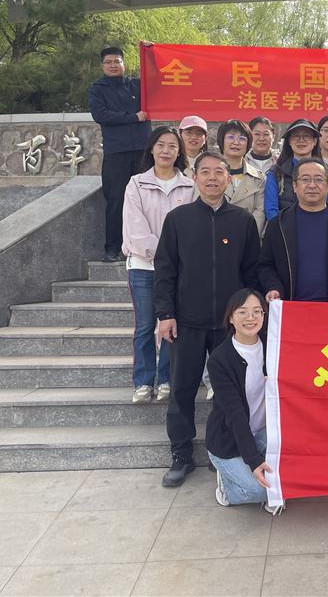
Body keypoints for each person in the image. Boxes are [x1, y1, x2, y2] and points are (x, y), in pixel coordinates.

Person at [154, 151, 262, 487]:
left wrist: (248, 317)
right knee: (182, 388)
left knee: (231, 392)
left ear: (229, 178)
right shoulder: (179, 219)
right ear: (195, 178)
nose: (212, 178)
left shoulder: (242, 221)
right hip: (187, 321)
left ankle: (224, 449)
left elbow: (252, 273)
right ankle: (181, 454)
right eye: (205, 172)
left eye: (219, 172)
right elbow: (165, 270)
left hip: (230, 327)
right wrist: (166, 314)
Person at [122, 127, 193, 405]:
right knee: (144, 326)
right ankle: (143, 381)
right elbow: (135, 229)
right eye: (161, 145)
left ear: (179, 152)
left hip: (178, 269)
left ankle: (166, 379)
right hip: (143, 265)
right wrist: (164, 255)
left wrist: (174, 259)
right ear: (151, 149)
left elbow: (191, 229)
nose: (166, 150)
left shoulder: (189, 186)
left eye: (172, 146)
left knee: (171, 324)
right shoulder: (136, 184)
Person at [204, 289, 278, 513]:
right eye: (242, 312)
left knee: (287, 478)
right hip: (229, 440)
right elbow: (235, 414)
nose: (250, 318)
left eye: (257, 312)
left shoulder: (273, 346)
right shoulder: (220, 360)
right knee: (260, 491)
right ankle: (227, 487)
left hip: (263, 433)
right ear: (231, 317)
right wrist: (254, 462)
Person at [258, 158, 328, 302]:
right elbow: (266, 265)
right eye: (305, 179)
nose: (312, 185)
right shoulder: (279, 224)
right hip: (291, 305)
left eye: (319, 180)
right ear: (294, 186)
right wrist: (273, 287)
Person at [89, 46, 150, 261]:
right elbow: (101, 115)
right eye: (108, 62)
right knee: (116, 200)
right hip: (117, 152)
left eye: (117, 61)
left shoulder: (138, 85)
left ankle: (145, 246)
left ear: (124, 63)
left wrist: (150, 52)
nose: (113, 65)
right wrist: (133, 117)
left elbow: (161, 82)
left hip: (143, 151)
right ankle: (113, 248)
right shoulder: (97, 89)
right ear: (102, 66)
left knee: (147, 199)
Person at [263, 119, 328, 222]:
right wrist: (283, 228)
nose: (301, 140)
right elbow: (271, 210)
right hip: (283, 228)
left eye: (306, 136)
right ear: (289, 141)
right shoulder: (276, 173)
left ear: (315, 141)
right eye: (296, 136)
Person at [217, 119, 267, 238]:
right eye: (231, 137)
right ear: (222, 141)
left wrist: (246, 237)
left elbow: (260, 212)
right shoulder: (209, 174)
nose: (236, 142)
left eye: (242, 138)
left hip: (246, 238)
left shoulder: (258, 178)